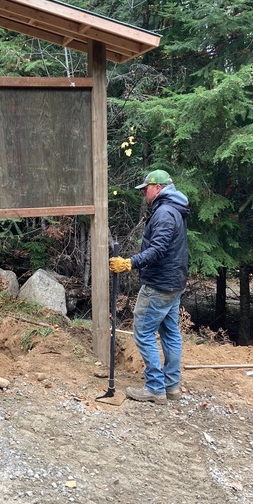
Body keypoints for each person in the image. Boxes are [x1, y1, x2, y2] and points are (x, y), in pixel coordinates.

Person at [109, 169, 190, 404]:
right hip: (174, 282)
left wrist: (129, 263)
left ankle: (155, 387)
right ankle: (171, 387)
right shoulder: (175, 209)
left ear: (158, 188)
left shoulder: (165, 213)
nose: (144, 192)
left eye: (146, 188)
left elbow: (158, 250)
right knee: (171, 333)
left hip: (159, 284)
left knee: (143, 332)